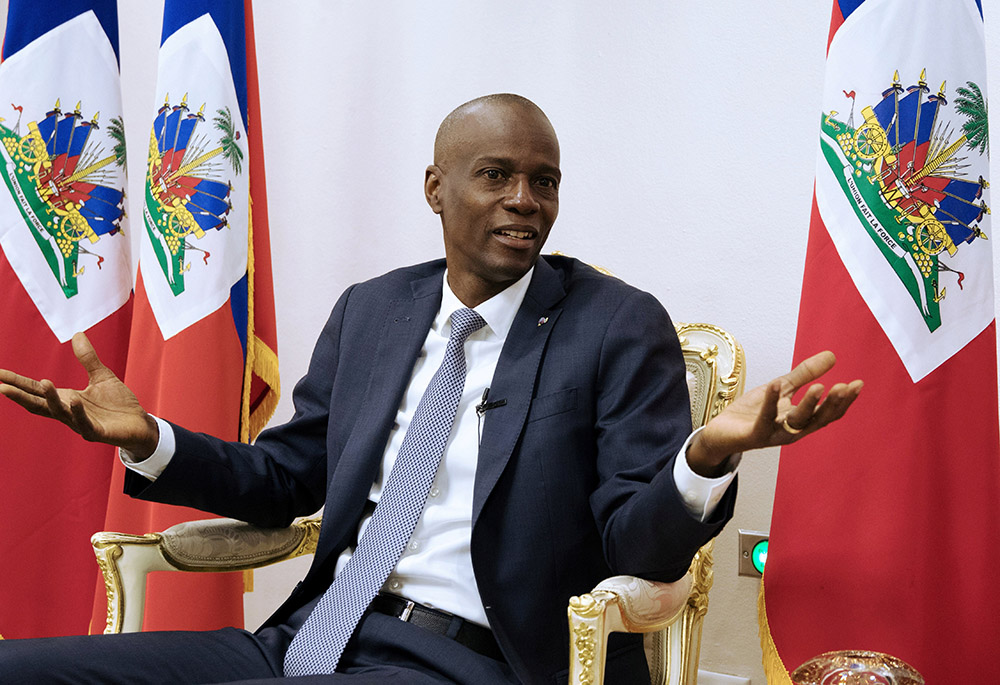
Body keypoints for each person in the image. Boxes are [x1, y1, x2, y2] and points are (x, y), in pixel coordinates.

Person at [0, 94, 862, 684]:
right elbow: (286, 480)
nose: (525, 200)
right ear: (436, 188)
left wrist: (704, 456)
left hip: (478, 660)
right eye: (496, 175)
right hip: (311, 638)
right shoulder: (374, 309)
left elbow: (640, 543)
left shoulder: (615, 324)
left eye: (544, 180)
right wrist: (151, 437)